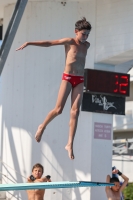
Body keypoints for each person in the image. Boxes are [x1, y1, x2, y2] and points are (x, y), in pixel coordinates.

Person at [16, 17, 92, 160]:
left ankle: (70, 144)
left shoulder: (87, 45)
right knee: (59, 109)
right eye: (83, 33)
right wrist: (29, 43)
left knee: (75, 111)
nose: (85, 37)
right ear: (76, 31)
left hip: (80, 79)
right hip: (68, 78)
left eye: (87, 34)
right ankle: (42, 126)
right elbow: (50, 43)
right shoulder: (69, 41)